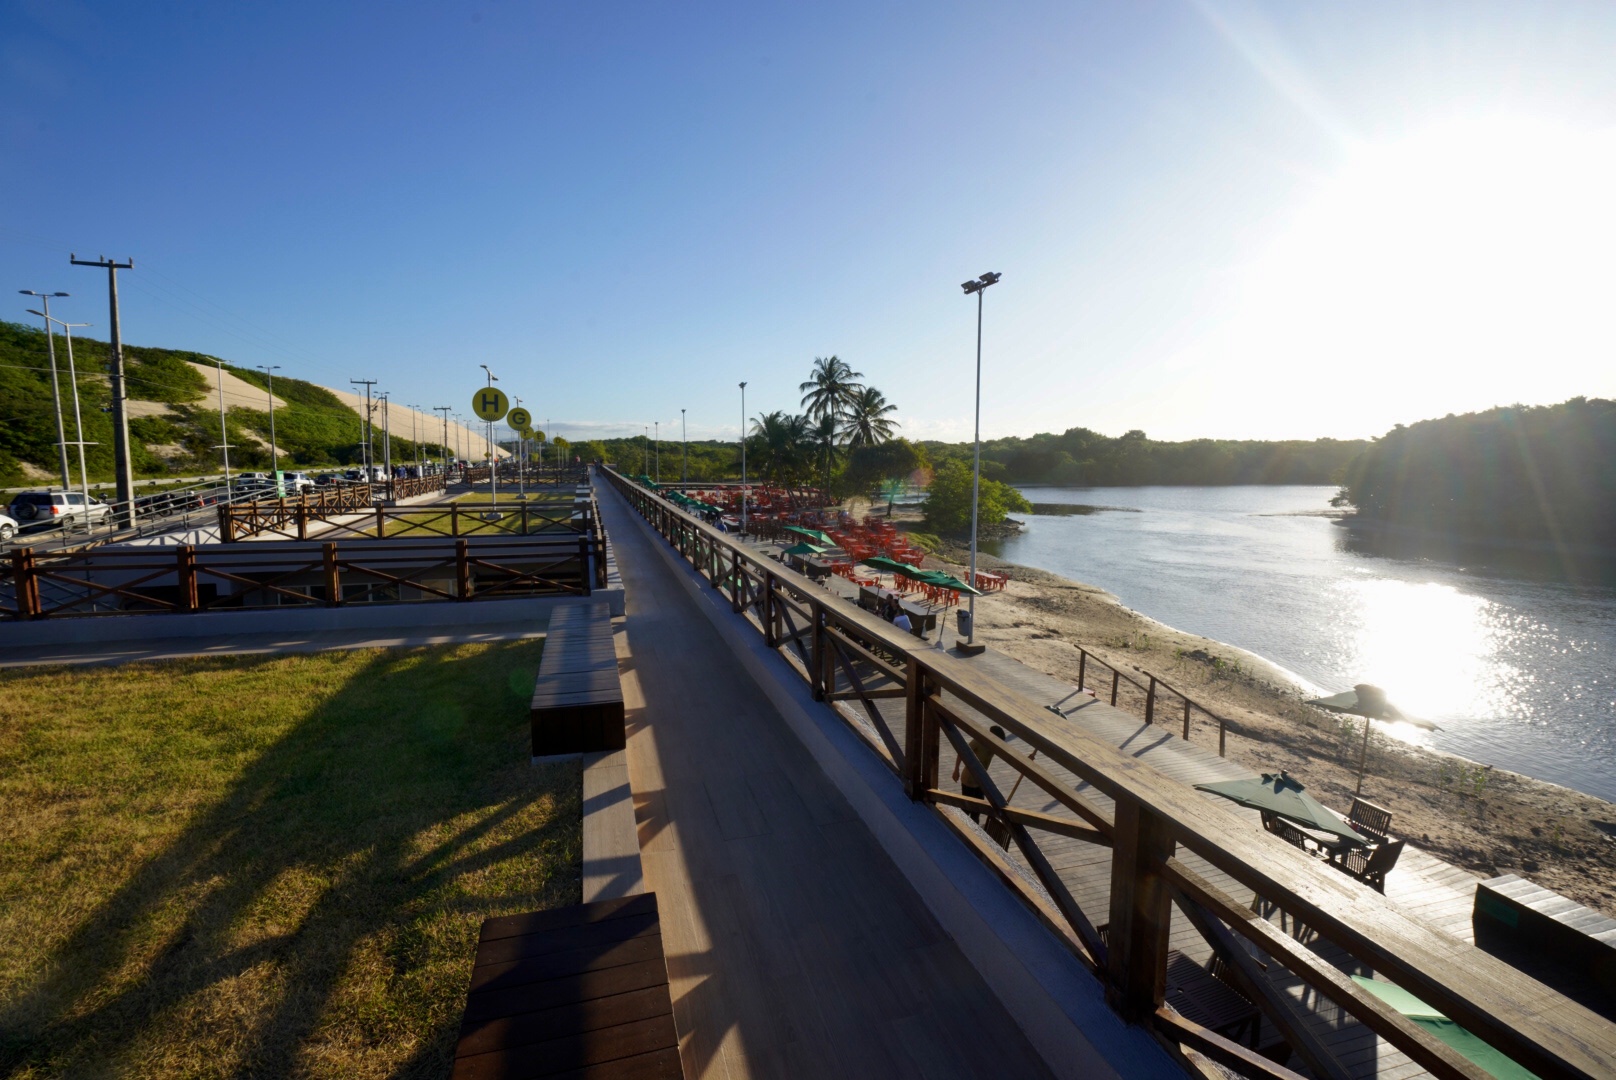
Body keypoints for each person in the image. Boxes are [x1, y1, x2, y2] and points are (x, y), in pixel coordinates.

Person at [952, 724, 1007, 823]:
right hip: (969, 779)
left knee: (977, 810)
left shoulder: (994, 746)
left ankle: (973, 829)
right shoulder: (979, 741)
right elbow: (962, 751)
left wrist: (1028, 759)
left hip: (980, 781)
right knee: (967, 808)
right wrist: (956, 769)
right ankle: (962, 827)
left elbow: (1007, 754)